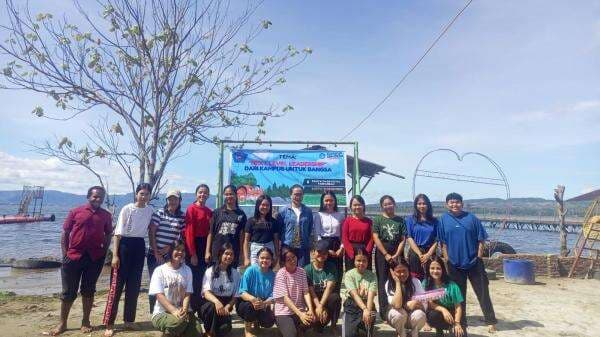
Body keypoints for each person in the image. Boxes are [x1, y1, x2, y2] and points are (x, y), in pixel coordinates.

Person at [49, 186, 112, 336]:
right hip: (73, 257)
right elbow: (65, 232)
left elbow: (109, 233)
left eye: (101, 197)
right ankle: (62, 323)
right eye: (95, 196)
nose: (98, 199)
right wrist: (65, 254)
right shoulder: (75, 211)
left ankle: (85, 321)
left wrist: (104, 251)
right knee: (68, 292)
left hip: (94, 259)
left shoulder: (105, 215)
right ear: (88, 196)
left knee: (88, 291)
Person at [438, 192, 497, 333]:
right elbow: (443, 242)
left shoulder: (472, 218)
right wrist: (447, 259)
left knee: (483, 292)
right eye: (451, 202)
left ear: (462, 204)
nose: (454, 204)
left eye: (457, 202)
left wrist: (478, 256)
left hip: (474, 262)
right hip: (454, 264)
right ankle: (461, 323)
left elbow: (481, 239)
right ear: (447, 204)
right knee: (459, 296)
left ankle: (490, 320)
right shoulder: (443, 220)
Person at [103, 183, 154, 337]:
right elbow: (117, 234)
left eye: (146, 194)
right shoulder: (127, 208)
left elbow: (152, 230)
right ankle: (109, 323)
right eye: (141, 193)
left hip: (139, 246)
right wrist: (115, 255)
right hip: (124, 245)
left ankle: (129, 320)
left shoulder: (150, 210)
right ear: (136, 194)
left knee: (134, 287)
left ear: (150, 196)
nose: (144, 196)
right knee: (116, 287)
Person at [149, 242, 203, 337]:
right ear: (170, 251)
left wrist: (185, 310)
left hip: (183, 311)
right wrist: (174, 311)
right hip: (162, 312)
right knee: (178, 324)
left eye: (183, 250)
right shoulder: (159, 270)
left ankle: (178, 332)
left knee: (197, 333)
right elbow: (159, 296)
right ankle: (172, 332)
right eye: (177, 249)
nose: (180, 252)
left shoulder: (187, 270)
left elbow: (187, 293)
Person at [147, 189, 185, 313]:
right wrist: (156, 252)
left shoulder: (182, 217)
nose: (172, 201)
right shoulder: (159, 213)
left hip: (170, 255)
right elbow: (152, 232)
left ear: (180, 201)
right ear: (167, 200)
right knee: (155, 283)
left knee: (169, 283)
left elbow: (181, 236)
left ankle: (167, 309)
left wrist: (169, 247)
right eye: (170, 199)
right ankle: (154, 312)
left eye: (175, 199)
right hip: (155, 254)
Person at [372, 194, 406, 320]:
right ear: (382, 206)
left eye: (390, 203)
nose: (388, 206)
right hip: (382, 252)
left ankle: (399, 306)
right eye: (385, 204)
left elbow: (403, 239)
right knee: (383, 281)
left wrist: (397, 254)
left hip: (397, 250)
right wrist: (386, 254)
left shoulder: (400, 220)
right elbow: (375, 237)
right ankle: (384, 312)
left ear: (394, 204)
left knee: (399, 278)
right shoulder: (378, 220)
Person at [200, 243, 241, 337]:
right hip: (210, 304)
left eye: (231, 254)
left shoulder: (235, 273)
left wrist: (228, 306)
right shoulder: (210, 271)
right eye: (226, 253)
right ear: (220, 255)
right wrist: (216, 302)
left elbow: (236, 296)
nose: (229, 256)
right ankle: (209, 333)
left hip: (226, 305)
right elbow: (206, 292)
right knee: (211, 307)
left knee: (225, 329)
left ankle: (215, 330)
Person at [273, 246, 315, 337]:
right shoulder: (281, 273)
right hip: (284, 312)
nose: (292, 261)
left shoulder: (302, 271)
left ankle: (298, 329)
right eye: (288, 259)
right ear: (284, 262)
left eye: (294, 257)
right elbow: (285, 298)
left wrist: (310, 310)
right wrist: (300, 315)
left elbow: (306, 292)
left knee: (314, 320)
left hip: (299, 309)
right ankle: (284, 328)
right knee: (291, 335)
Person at [184, 184, 213, 314]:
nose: (203, 195)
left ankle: (199, 306)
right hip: (193, 244)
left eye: (205, 193)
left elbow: (209, 232)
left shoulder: (208, 211)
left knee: (202, 277)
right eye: (200, 192)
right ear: (196, 194)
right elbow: (189, 232)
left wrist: (207, 250)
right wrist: (192, 254)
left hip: (204, 245)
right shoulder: (191, 209)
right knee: (192, 277)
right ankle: (191, 306)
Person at [237, 247, 277, 337]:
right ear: (258, 259)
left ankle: (256, 322)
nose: (264, 260)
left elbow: (274, 295)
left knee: (269, 322)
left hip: (263, 302)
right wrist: (253, 299)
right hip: (247, 301)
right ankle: (247, 330)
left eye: (267, 258)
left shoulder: (273, 275)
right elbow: (242, 292)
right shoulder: (250, 270)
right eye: (262, 258)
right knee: (249, 307)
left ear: (271, 260)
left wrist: (265, 303)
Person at [422, 256, 465, 337]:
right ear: (428, 269)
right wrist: (443, 309)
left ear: (443, 269)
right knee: (433, 315)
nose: (435, 271)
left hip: (452, 312)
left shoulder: (452, 285)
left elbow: (458, 306)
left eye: (438, 268)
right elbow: (429, 303)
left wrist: (457, 323)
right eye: (432, 268)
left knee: (461, 334)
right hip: (436, 312)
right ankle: (439, 330)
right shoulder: (425, 283)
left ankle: (450, 326)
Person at [305, 239, 342, 333]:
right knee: (316, 328)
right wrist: (318, 307)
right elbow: (311, 291)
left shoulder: (331, 267)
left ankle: (333, 326)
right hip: (314, 300)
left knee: (336, 298)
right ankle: (316, 322)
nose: (321, 255)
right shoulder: (307, 269)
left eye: (325, 253)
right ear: (313, 252)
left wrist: (322, 306)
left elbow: (329, 288)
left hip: (325, 299)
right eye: (319, 252)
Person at [384, 257, 426, 337]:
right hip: (398, 318)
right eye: (398, 272)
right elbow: (397, 305)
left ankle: (414, 333)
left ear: (408, 271)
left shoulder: (415, 282)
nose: (402, 274)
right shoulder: (389, 284)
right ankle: (401, 333)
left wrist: (416, 304)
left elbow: (422, 303)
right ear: (392, 272)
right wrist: (397, 283)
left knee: (420, 315)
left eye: (404, 271)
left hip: (411, 317)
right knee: (397, 314)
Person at [206, 185, 246, 268]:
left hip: (232, 254)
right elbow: (210, 233)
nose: (229, 196)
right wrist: (207, 251)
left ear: (236, 195)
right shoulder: (217, 212)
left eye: (231, 194)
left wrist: (242, 254)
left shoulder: (241, 214)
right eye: (226, 194)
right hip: (216, 252)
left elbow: (242, 237)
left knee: (230, 278)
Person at [313, 191, 345, 290]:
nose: (329, 203)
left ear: (335, 201)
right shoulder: (318, 215)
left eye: (331, 200)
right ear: (322, 202)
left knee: (337, 272)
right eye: (326, 200)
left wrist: (341, 248)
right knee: (324, 272)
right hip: (323, 246)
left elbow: (343, 234)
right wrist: (325, 250)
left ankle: (335, 299)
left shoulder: (340, 215)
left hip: (337, 246)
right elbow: (317, 234)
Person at [342, 247, 377, 337]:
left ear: (367, 262)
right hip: (352, 304)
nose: (361, 263)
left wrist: (367, 311)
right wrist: (364, 309)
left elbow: (371, 295)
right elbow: (354, 295)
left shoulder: (372, 276)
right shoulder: (349, 274)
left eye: (364, 261)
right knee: (349, 335)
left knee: (371, 312)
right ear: (354, 261)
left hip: (367, 304)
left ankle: (365, 327)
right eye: (358, 260)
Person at [276, 184, 314, 266]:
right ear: (291, 195)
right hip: (287, 247)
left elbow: (310, 229)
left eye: (300, 194)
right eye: (296, 194)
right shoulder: (283, 211)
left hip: (303, 248)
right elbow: (279, 230)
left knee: (302, 272)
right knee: (287, 271)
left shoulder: (308, 211)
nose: (298, 197)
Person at [406, 193, 439, 280]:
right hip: (415, 253)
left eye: (424, 203)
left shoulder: (435, 221)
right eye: (419, 204)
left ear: (428, 205)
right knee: (416, 279)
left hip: (430, 252)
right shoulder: (410, 219)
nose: (422, 206)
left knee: (431, 278)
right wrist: (420, 254)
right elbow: (409, 237)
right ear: (416, 205)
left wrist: (428, 254)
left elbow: (437, 240)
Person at [243, 195, 280, 267]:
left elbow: (276, 240)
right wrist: (246, 258)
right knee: (255, 271)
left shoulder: (274, 222)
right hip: (255, 248)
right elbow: (246, 240)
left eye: (267, 205)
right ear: (258, 205)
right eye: (263, 205)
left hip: (270, 248)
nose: (265, 207)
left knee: (267, 271)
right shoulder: (251, 221)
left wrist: (276, 255)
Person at [341, 195, 373, 271]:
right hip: (351, 250)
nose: (357, 207)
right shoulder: (347, 221)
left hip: (365, 249)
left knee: (365, 274)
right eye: (354, 205)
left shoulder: (369, 221)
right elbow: (344, 238)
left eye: (359, 205)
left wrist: (367, 252)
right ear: (351, 207)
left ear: (363, 206)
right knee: (351, 274)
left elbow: (372, 238)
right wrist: (351, 253)